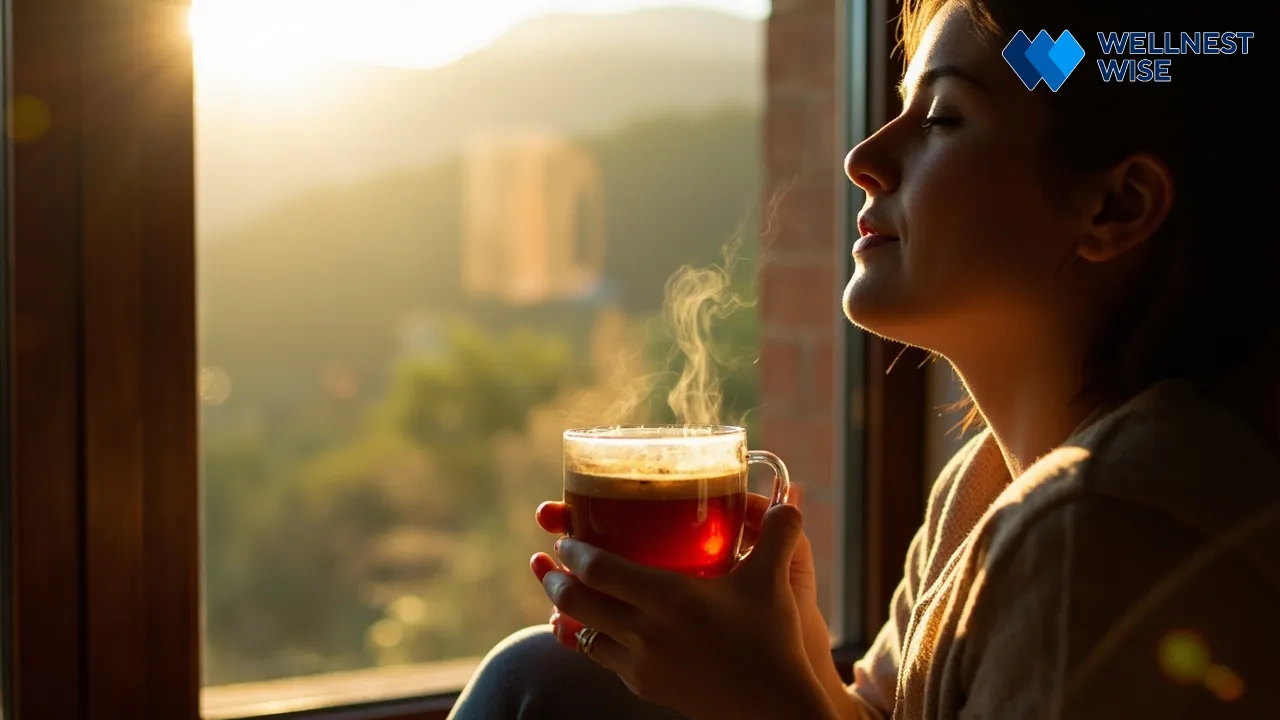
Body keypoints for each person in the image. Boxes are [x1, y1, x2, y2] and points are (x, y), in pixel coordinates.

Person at [449, 0, 1278, 717]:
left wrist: (765, 701)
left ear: (1115, 206)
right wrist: (801, 658)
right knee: (547, 673)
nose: (864, 157)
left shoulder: (1106, 524)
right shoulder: (984, 485)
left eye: (943, 117)